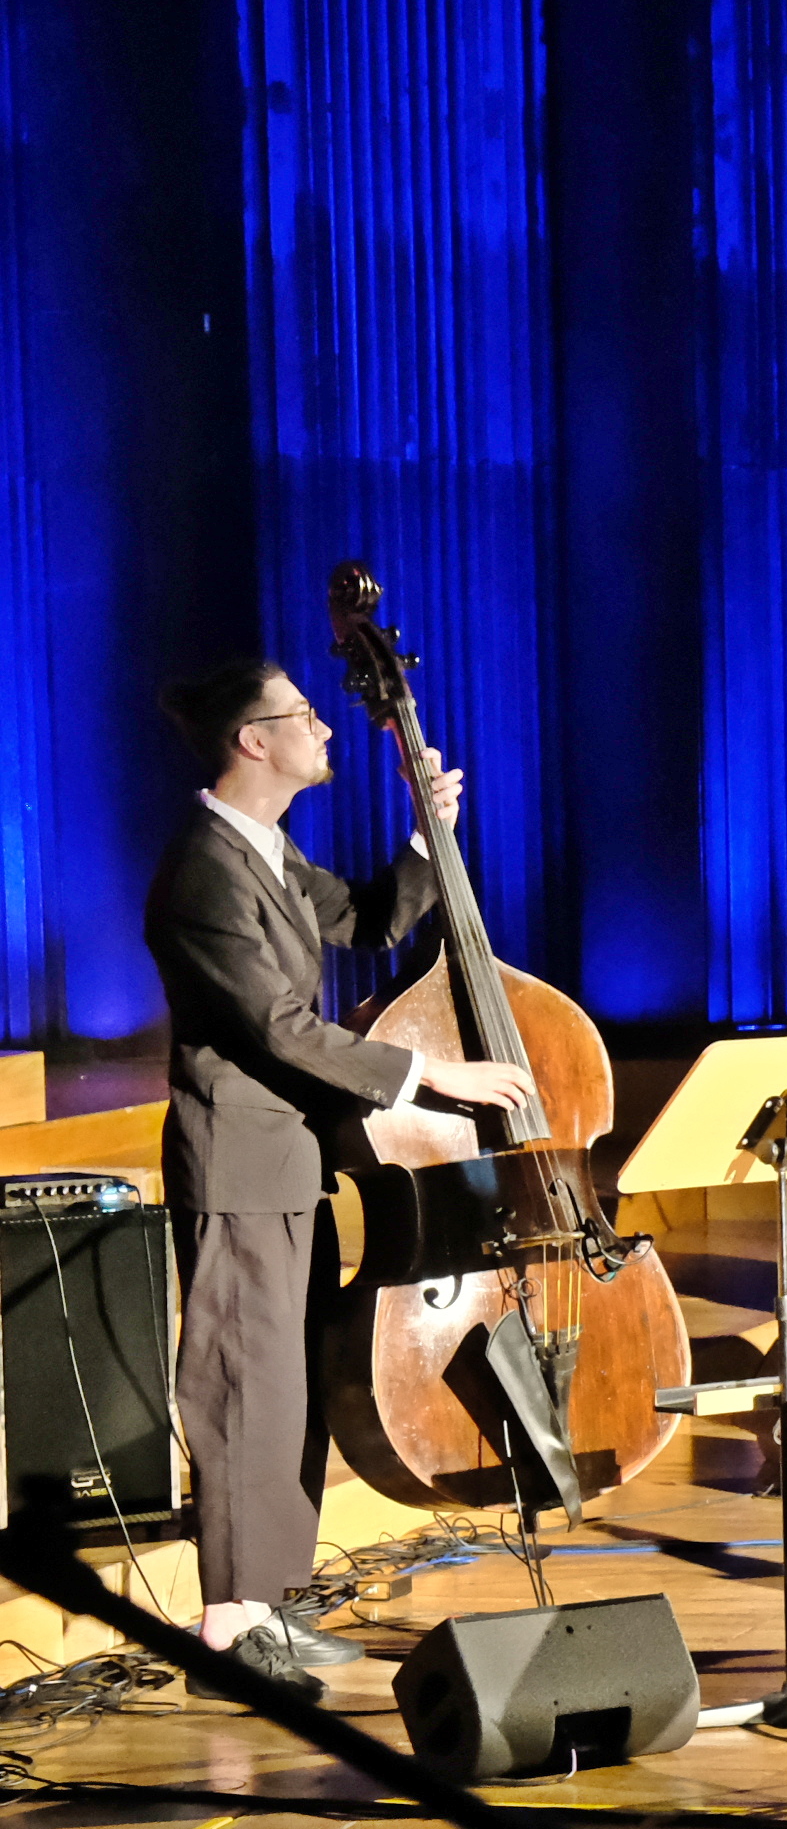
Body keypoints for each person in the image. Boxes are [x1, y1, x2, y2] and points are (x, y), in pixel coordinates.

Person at [143, 655, 533, 1694]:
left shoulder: (263, 851)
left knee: (285, 1390)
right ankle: (229, 1619)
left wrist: (425, 839)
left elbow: (367, 920)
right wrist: (425, 1073)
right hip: (236, 1161)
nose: (325, 727)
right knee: (237, 1386)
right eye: (304, 714)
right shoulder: (205, 870)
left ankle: (267, 1600)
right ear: (253, 741)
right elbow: (274, 1026)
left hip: (289, 1160)